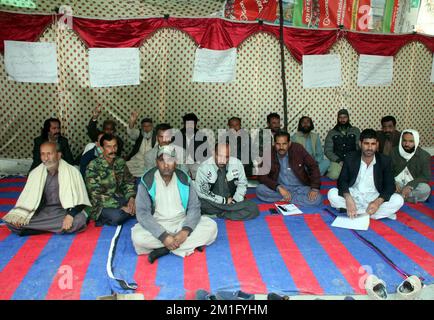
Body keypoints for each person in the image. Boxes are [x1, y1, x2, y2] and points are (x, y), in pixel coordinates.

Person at [131, 145, 218, 263]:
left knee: (211, 227)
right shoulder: (147, 181)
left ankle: (164, 249)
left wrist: (185, 231)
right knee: (137, 237)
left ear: (175, 162)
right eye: (162, 160)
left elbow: (194, 207)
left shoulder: (184, 179)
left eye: (170, 160)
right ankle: (180, 245)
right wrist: (163, 236)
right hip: (157, 224)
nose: (166, 165)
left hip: (181, 222)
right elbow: (142, 213)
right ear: (157, 162)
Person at [4, 142, 89, 236]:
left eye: (49, 154)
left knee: (79, 220)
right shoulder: (35, 174)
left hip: (63, 212)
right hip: (43, 212)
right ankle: (55, 229)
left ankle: (34, 230)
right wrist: (21, 216)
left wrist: (70, 216)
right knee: (12, 222)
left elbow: (81, 200)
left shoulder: (72, 172)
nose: (46, 158)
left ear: (58, 155)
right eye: (43, 154)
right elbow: (28, 200)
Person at [327, 129, 404, 220]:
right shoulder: (350, 157)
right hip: (354, 196)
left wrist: (378, 202)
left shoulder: (384, 160)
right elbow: (342, 180)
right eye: (366, 143)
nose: (370, 148)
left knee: (398, 200)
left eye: (373, 144)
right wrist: (348, 197)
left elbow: (390, 185)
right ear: (360, 144)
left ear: (377, 145)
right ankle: (370, 213)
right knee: (332, 193)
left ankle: (357, 212)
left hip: (374, 196)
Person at [194, 143, 260, 220]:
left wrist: (235, 200)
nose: (223, 161)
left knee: (253, 208)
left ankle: (219, 214)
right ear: (213, 153)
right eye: (219, 156)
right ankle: (230, 211)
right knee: (200, 203)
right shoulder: (204, 167)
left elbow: (243, 184)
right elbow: (202, 192)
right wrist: (224, 201)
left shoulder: (237, 164)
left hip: (232, 201)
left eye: (226, 157)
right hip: (212, 201)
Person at [256, 131, 322, 206]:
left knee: (318, 198)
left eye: (284, 144)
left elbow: (313, 166)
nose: (281, 147)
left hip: (300, 188)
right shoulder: (269, 152)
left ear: (289, 143)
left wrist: (314, 188)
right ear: (274, 144)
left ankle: (286, 198)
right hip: (280, 188)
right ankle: (292, 198)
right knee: (260, 189)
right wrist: (278, 187)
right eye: (278, 144)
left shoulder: (298, 149)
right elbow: (261, 176)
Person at [85, 134, 136, 226]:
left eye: (115, 146)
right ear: (101, 148)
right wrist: (121, 207)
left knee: (143, 206)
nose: (113, 150)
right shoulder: (93, 166)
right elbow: (95, 194)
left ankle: (130, 211)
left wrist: (131, 199)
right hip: (102, 203)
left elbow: (128, 181)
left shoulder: (120, 162)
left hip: (119, 197)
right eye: (108, 147)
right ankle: (126, 213)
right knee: (117, 217)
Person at [390, 130, 431, 203]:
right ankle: (407, 198)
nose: (407, 144)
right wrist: (393, 182)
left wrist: (410, 186)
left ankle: (398, 197)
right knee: (382, 183)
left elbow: (426, 176)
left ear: (416, 141)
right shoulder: (394, 152)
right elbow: (388, 170)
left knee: (426, 188)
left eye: (411, 141)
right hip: (397, 184)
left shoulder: (424, 156)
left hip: (413, 185)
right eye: (404, 140)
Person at [324, 109, 361, 180]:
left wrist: (354, 159)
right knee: (333, 175)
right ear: (337, 119)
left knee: (356, 176)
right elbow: (327, 150)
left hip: (352, 159)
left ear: (348, 118)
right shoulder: (332, 133)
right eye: (340, 117)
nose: (342, 119)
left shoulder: (355, 130)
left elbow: (359, 147)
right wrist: (338, 161)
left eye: (345, 117)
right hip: (338, 160)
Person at [176, 113, 210, 179]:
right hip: (181, 163)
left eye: (191, 124)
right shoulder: (177, 136)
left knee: (200, 169)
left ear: (195, 124)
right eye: (187, 124)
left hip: (196, 163)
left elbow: (206, 154)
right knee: (182, 169)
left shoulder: (201, 137)